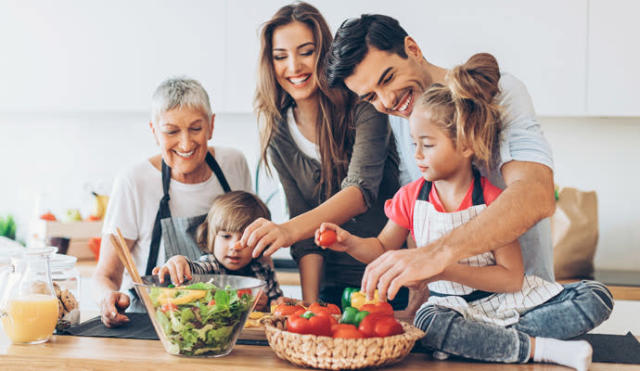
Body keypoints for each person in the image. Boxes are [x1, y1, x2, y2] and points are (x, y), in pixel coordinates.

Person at [317, 53, 612, 371]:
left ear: (466, 144)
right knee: (431, 322)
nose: (416, 155)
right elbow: (380, 248)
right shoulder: (410, 198)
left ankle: (477, 343)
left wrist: (441, 268)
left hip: (507, 304)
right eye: (414, 143)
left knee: (596, 295)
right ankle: (536, 348)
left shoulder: (494, 202)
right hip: (451, 310)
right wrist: (349, 243)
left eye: (427, 145)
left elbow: (512, 279)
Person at [327, 14, 558, 301]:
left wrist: (436, 257)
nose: (387, 101)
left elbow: (537, 193)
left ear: (412, 48)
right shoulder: (404, 115)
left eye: (387, 78)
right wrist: (418, 299)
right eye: (371, 97)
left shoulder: (501, 93)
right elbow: (418, 217)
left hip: (526, 298)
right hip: (451, 305)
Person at [241, 2, 407, 307]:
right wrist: (310, 306)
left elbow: (360, 192)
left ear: (325, 54)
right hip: (332, 288)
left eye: (306, 52)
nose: (293, 67)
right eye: (281, 56)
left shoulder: (365, 105)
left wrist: (286, 230)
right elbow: (305, 239)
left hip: (391, 280)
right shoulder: (278, 132)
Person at [93, 78, 252, 327]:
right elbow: (107, 274)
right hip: (153, 326)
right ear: (154, 131)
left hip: (224, 323)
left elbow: (255, 247)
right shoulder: (134, 181)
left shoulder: (233, 164)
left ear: (211, 126)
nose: (186, 143)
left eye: (196, 128)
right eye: (171, 131)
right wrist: (107, 299)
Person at [152, 191, 283, 311]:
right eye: (226, 236)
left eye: (245, 240)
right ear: (210, 237)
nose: (235, 247)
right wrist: (181, 262)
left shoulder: (264, 270)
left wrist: (267, 305)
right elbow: (195, 269)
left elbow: (278, 306)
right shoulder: (211, 265)